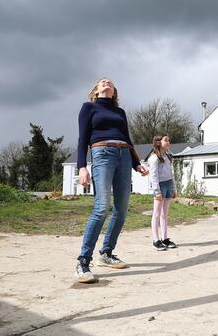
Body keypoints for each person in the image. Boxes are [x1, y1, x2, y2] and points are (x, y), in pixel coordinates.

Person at [75, 78, 148, 283]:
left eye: (110, 82)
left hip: (124, 156)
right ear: (96, 91)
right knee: (101, 207)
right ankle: (83, 261)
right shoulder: (88, 108)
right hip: (102, 153)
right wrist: (82, 166)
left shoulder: (120, 112)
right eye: (102, 82)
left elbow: (127, 139)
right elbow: (82, 138)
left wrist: (136, 163)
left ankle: (106, 253)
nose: (107, 82)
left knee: (122, 209)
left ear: (114, 91)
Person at [148, 134, 178, 251]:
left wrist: (173, 188)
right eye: (166, 140)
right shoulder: (153, 158)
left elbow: (171, 174)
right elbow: (153, 176)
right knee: (156, 213)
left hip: (168, 184)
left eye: (168, 140)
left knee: (164, 214)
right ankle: (156, 240)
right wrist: (157, 191)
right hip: (159, 186)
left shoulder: (168, 157)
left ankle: (165, 238)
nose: (168, 142)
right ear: (158, 142)